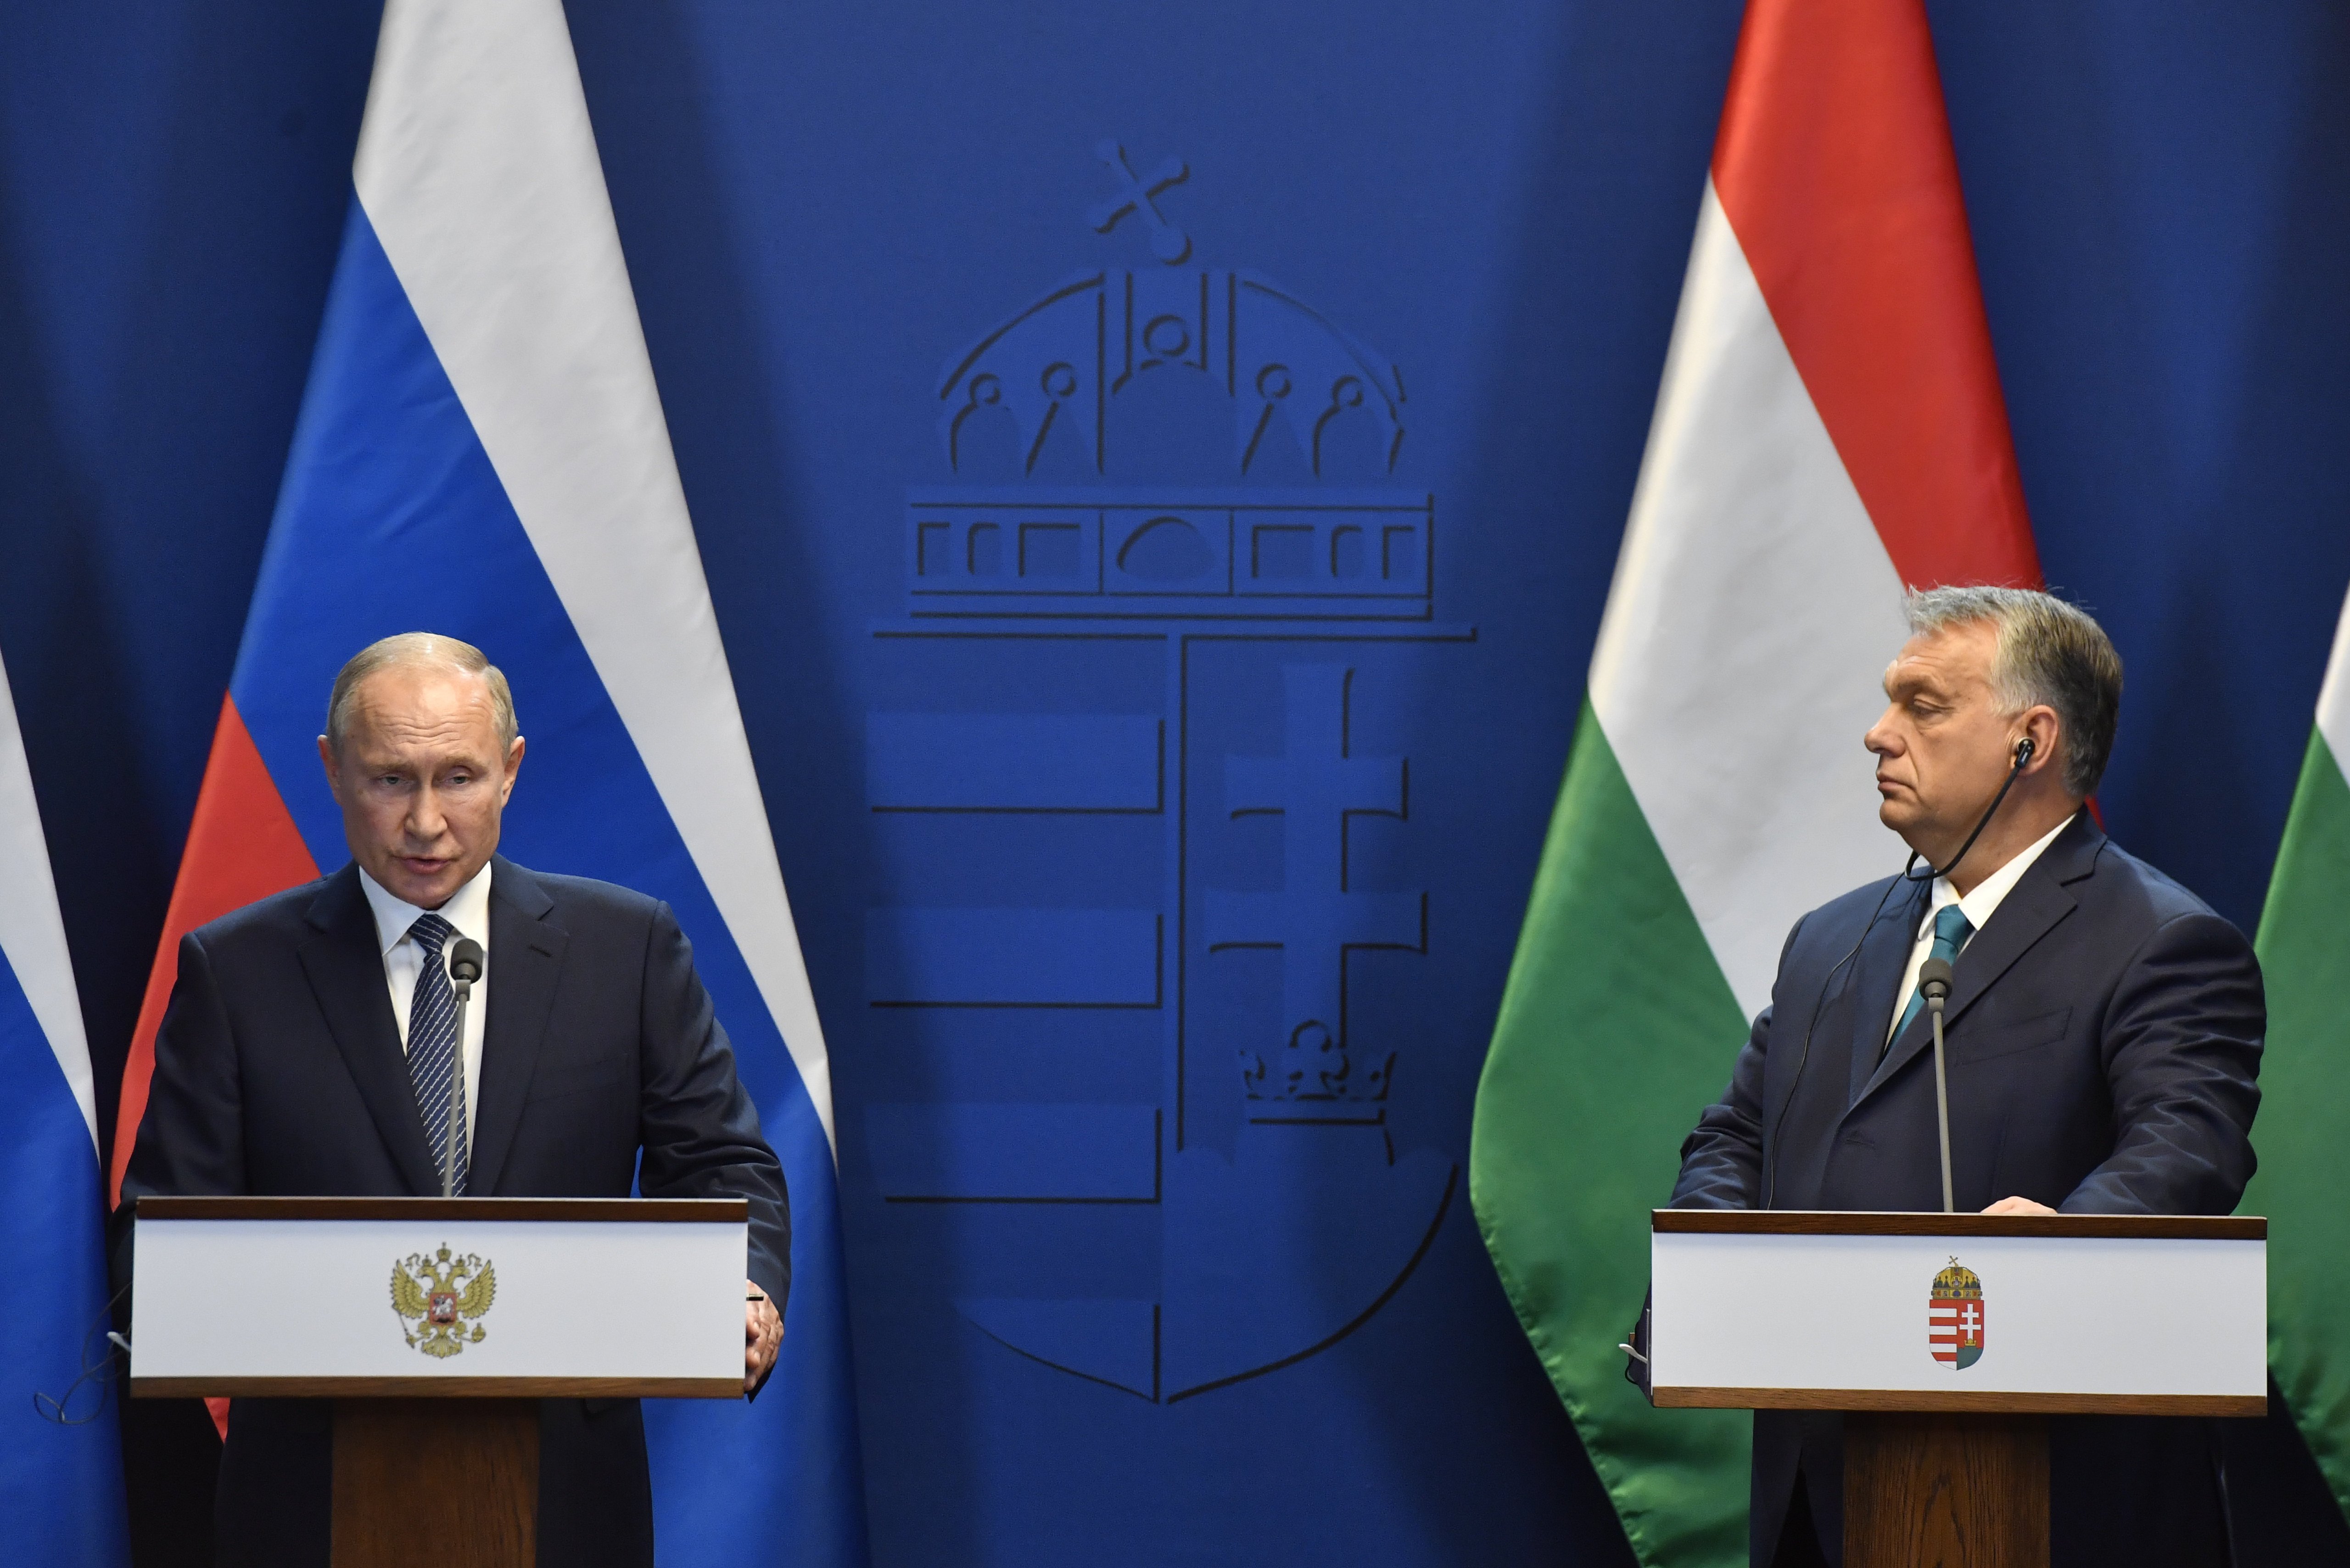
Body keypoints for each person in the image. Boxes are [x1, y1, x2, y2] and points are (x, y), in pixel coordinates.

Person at [118, 633, 791, 1568]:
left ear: (510, 771)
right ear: (333, 769)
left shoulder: (626, 949)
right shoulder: (238, 972)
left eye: (460, 778)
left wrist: (742, 1284)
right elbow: (160, 1228)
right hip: (310, 1498)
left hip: (567, 1494)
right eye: (392, 780)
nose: (426, 821)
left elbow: (722, 1161)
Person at [1666, 587, 2262, 1568]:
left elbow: (2187, 1147)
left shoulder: (2165, 941)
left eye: (1923, 705)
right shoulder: (1828, 938)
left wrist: (2059, 1249)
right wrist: (1716, 1253)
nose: (1878, 733)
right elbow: (1737, 1131)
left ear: (2031, 740)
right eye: (1888, 703)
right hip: (1818, 1492)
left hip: (2049, 1497)